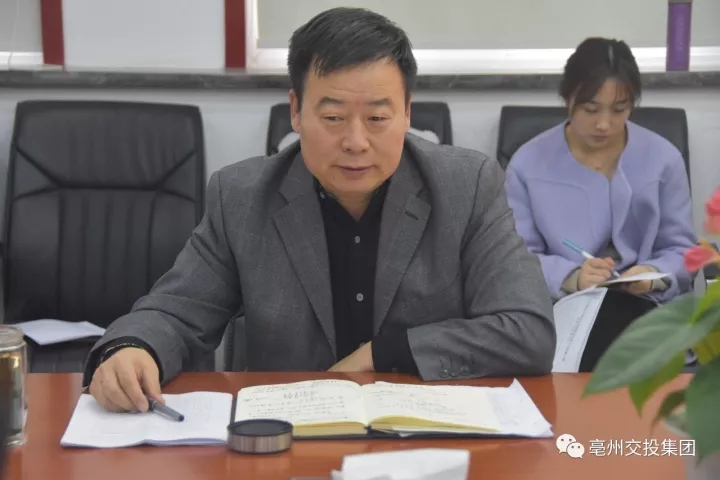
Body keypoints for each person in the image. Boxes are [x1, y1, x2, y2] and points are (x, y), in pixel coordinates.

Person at [85, 7, 555, 413]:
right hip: (287, 438)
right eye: (332, 118)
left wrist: (385, 353)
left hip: (425, 434)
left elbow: (528, 330)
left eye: (377, 118)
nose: (355, 141)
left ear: (408, 112)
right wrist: (133, 348)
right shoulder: (243, 197)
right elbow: (176, 312)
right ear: (296, 111)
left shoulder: (466, 187)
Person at [504, 38, 697, 369]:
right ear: (568, 99)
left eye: (619, 109)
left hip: (649, 310)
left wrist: (651, 274)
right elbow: (516, 257)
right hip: (563, 310)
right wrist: (573, 276)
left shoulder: (663, 159)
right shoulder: (528, 164)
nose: (604, 124)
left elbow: (682, 251)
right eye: (591, 109)